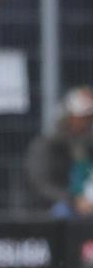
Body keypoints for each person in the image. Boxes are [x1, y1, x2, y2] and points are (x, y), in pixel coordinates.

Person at [25, 86, 93, 217]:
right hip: (57, 207)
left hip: (87, 204)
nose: (87, 123)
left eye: (89, 118)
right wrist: (74, 201)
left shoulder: (88, 145)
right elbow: (41, 185)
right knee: (62, 211)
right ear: (67, 118)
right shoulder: (47, 146)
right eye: (82, 118)